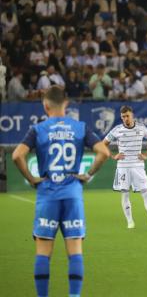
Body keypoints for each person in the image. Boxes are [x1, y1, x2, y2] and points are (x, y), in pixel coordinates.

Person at [11, 86, 110, 297]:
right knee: (74, 252)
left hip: (47, 194)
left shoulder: (38, 129)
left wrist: (32, 180)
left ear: (45, 105)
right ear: (66, 104)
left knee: (43, 253)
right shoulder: (80, 127)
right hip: (73, 194)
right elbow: (104, 152)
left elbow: (17, 156)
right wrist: (88, 174)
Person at [103, 105, 147, 229]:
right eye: (123, 117)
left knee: (146, 192)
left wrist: (146, 155)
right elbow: (103, 144)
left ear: (132, 115)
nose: (125, 118)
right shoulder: (117, 129)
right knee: (125, 193)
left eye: (127, 116)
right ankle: (130, 222)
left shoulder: (141, 128)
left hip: (138, 166)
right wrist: (113, 156)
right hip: (123, 167)